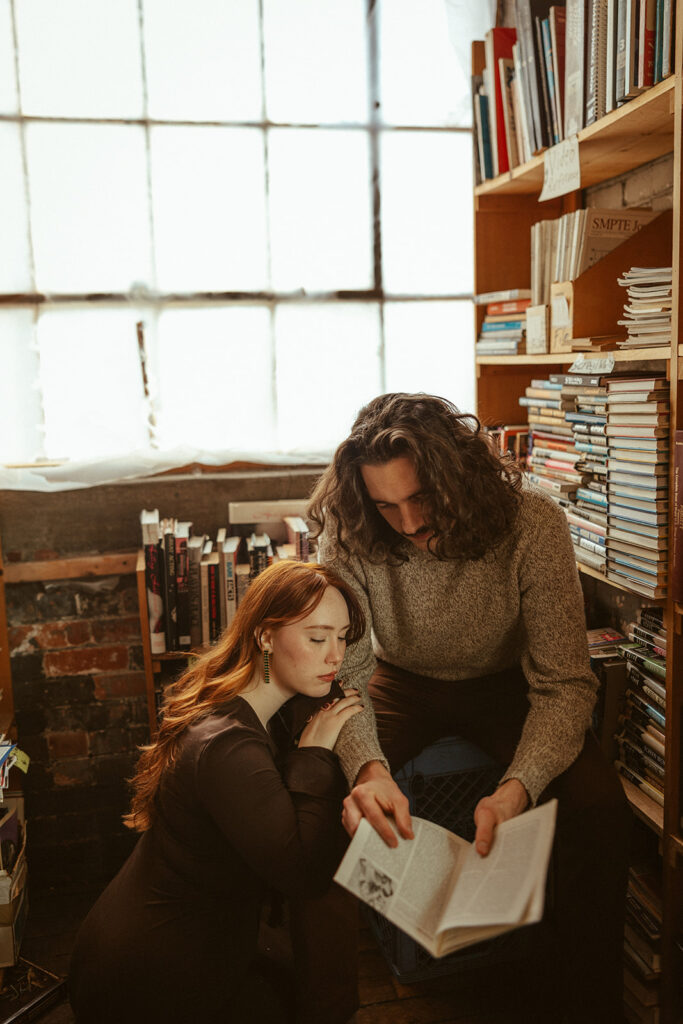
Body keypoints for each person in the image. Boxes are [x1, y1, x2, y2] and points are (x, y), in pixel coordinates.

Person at [307, 392, 631, 1024]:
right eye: (385, 506)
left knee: (598, 808)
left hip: (506, 684)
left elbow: (566, 682)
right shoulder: (347, 531)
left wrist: (518, 788)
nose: (405, 522)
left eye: (420, 499)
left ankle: (587, 1005)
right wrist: (368, 770)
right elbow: (344, 675)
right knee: (315, 798)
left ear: (457, 477)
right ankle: (323, 1006)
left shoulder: (533, 523)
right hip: (401, 681)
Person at [68, 560, 366, 1024]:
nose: (335, 656)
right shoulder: (229, 747)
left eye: (342, 637)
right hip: (151, 973)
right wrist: (315, 755)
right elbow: (305, 876)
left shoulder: (234, 698)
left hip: (174, 938)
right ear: (266, 637)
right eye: (316, 637)